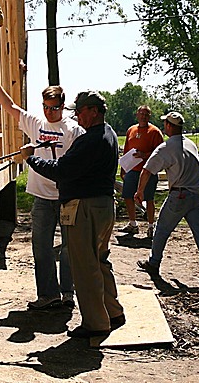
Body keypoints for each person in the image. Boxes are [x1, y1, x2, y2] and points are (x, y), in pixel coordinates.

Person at [21, 91, 125, 338]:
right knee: (99, 260)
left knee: (84, 266)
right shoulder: (107, 133)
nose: (78, 116)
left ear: (94, 111)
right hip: (102, 205)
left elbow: (63, 170)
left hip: (85, 208)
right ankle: (113, 311)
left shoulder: (91, 140)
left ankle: (95, 323)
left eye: (81, 111)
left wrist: (32, 159)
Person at [0, 65, 84, 310]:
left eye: (55, 108)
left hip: (67, 198)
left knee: (69, 249)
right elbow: (10, 107)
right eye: (46, 107)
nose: (50, 112)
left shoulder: (73, 130)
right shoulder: (35, 123)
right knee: (41, 248)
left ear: (63, 106)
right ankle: (48, 294)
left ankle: (68, 292)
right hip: (41, 197)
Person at [134, 111, 199, 290]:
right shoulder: (190, 144)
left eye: (165, 124)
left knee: (162, 229)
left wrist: (140, 191)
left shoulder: (166, 148)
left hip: (179, 195)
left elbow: (147, 170)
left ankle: (154, 263)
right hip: (197, 193)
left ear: (169, 127)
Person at [119, 105, 164, 238]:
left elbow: (161, 152)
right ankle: (133, 224)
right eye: (141, 114)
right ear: (137, 115)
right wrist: (123, 169)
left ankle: (151, 226)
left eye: (146, 114)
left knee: (149, 198)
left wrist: (145, 155)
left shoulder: (154, 132)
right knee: (128, 196)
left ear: (149, 116)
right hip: (132, 170)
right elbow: (126, 151)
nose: (143, 116)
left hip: (148, 171)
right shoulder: (131, 130)